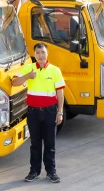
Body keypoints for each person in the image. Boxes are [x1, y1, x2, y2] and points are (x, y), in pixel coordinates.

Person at [11, 43, 65, 183]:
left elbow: (60, 93)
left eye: (43, 52)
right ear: (34, 54)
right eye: (38, 53)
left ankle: (51, 172)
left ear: (47, 53)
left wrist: (60, 112)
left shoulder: (55, 70)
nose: (41, 55)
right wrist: (28, 76)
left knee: (50, 144)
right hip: (33, 112)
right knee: (35, 144)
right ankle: (34, 171)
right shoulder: (28, 68)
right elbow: (14, 82)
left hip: (50, 112)